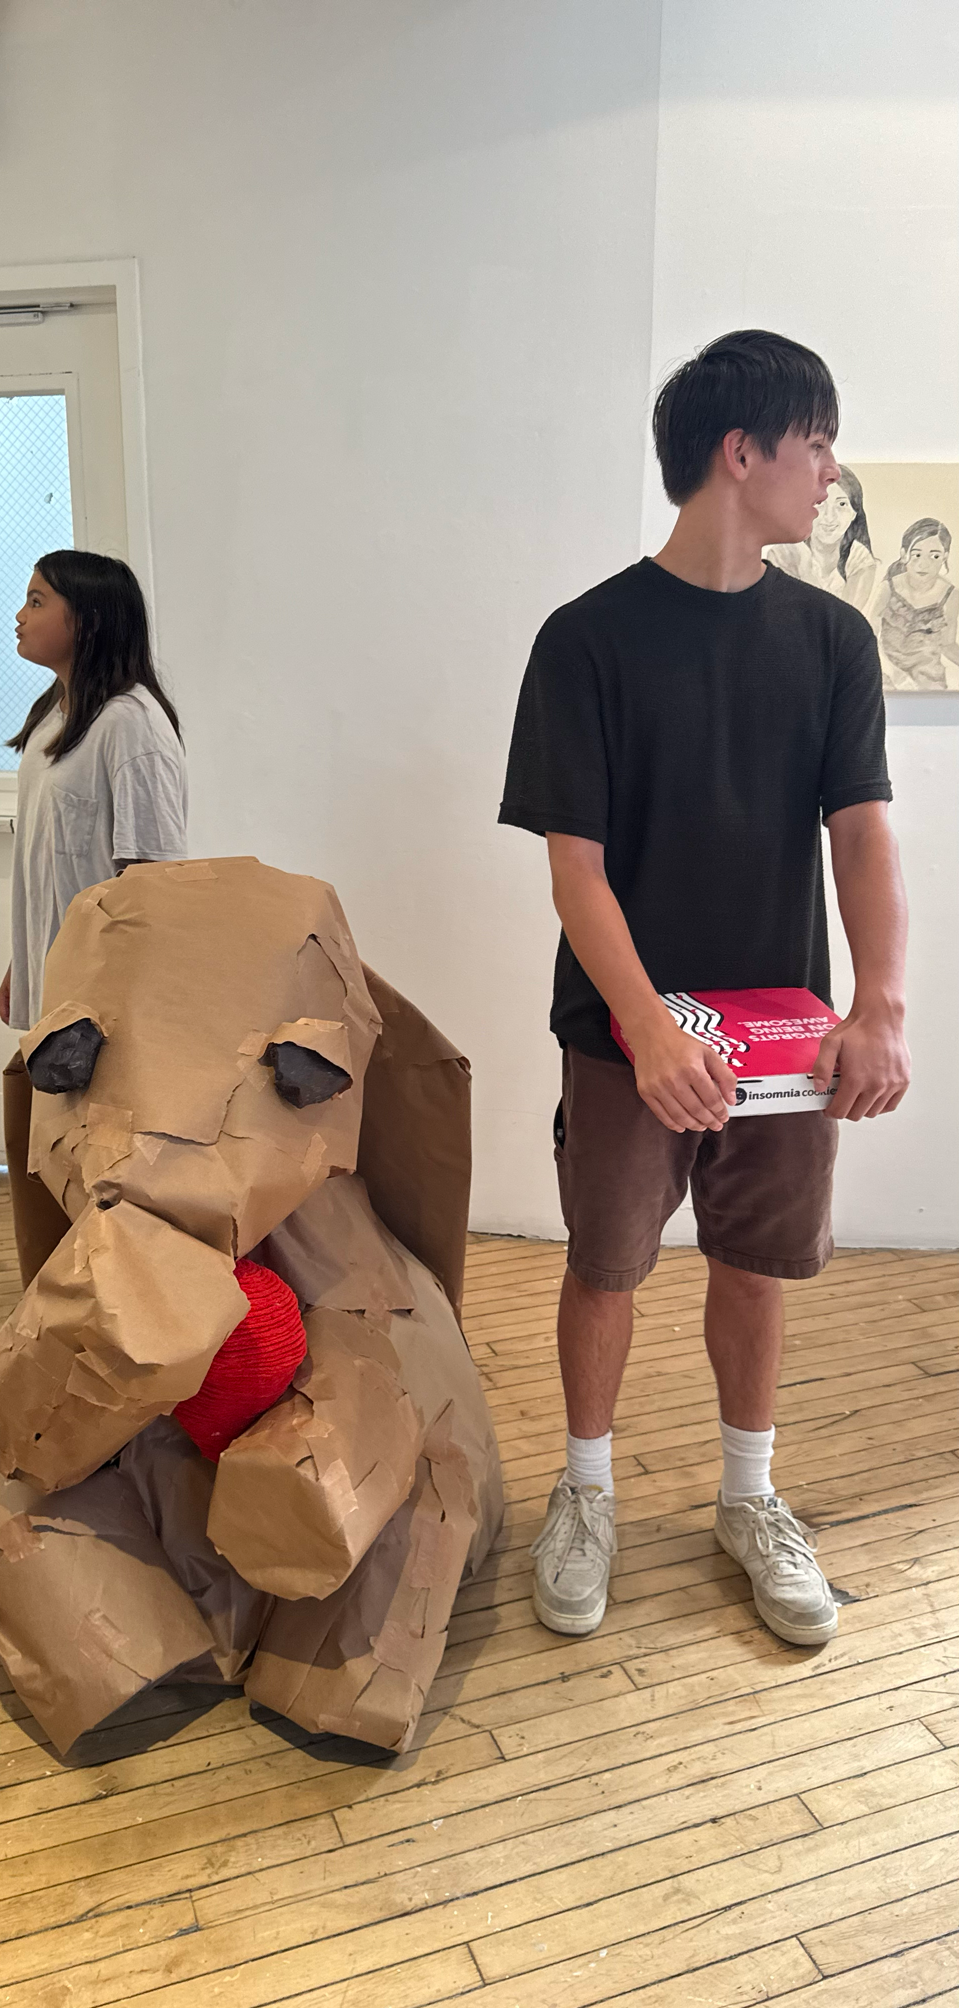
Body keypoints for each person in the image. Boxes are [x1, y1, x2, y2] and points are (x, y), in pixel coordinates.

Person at [499, 329, 910, 1651]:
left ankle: (749, 1497)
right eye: (816, 443)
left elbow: (861, 835)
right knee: (606, 1264)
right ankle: (585, 1494)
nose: (830, 472)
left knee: (755, 1262)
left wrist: (879, 1004)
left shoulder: (832, 640)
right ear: (742, 452)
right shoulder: (586, 641)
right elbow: (576, 872)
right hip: (626, 1035)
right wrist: (646, 1027)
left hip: (784, 1036)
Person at [0, 549, 188, 1284]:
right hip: (57, 981)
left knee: (106, 1164)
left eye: (37, 600)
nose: (20, 616)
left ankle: (122, 1300)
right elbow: (48, 864)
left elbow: (154, 882)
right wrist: (22, 962)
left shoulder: (131, 725)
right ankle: (75, 1294)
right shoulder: (57, 714)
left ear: (90, 619)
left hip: (103, 1000)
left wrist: (115, 1001)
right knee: (63, 1158)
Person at [764, 463, 877, 611]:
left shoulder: (860, 560)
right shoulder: (783, 554)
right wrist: (803, 561)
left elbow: (847, 618)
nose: (829, 517)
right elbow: (786, 614)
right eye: (820, 503)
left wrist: (806, 571)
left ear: (854, 513)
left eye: (841, 504)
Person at [869, 518, 959, 691]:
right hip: (887, 672)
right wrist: (894, 674)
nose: (924, 564)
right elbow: (867, 635)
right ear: (904, 554)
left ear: (945, 557)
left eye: (935, 556)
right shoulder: (888, 589)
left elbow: (948, 645)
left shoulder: (951, 595)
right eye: (917, 555)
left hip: (929, 678)